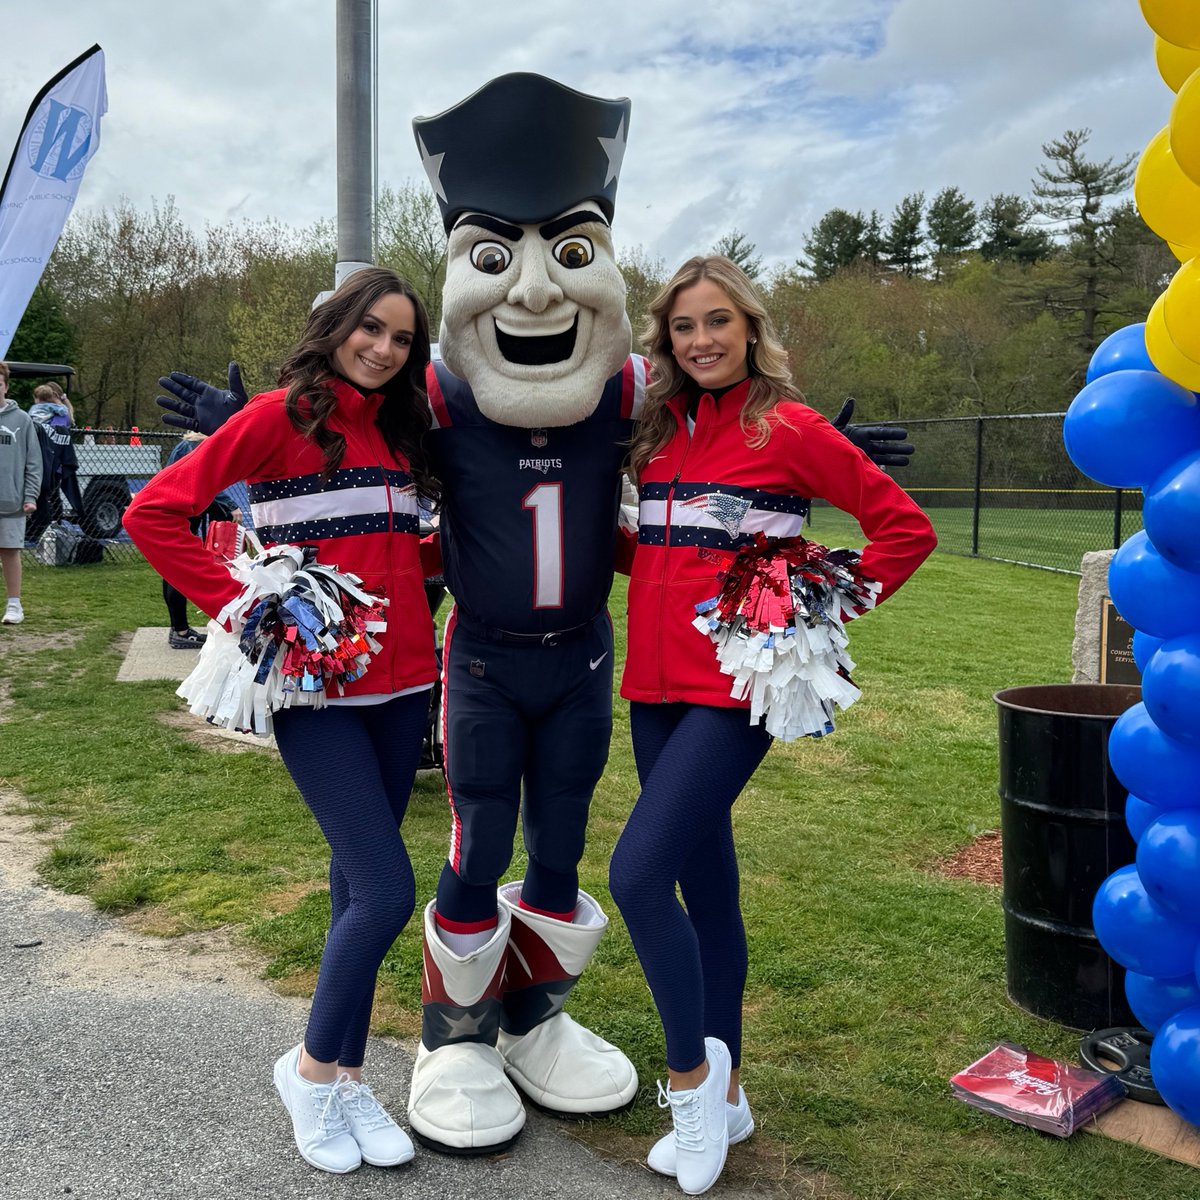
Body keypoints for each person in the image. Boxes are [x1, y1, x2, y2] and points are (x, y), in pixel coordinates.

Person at [608, 256, 937, 1196]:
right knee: (707, 889)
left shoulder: (786, 427)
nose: (702, 340)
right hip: (653, 688)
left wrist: (811, 621)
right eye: (683, 327)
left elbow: (905, 530)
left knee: (636, 875)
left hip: (730, 694)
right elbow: (668, 554)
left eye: (719, 322)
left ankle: (695, 1088)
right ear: (665, 341)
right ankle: (736, 1088)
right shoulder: (659, 434)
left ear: (750, 329)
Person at [123, 267, 439, 1175]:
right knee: (384, 889)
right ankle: (307, 1071)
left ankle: (342, 1073)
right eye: (369, 329)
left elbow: (386, 546)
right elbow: (156, 515)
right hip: (316, 694)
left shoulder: (400, 430)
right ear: (338, 327)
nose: (383, 349)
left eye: (402, 338)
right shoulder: (277, 417)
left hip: (404, 684)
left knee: (354, 888)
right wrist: (250, 602)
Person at [158, 431, 241, 648]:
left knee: (173, 571)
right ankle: (180, 631)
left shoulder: (187, 444)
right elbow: (201, 480)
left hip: (176, 511)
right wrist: (230, 505)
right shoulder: (194, 446)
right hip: (179, 513)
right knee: (178, 569)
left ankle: (178, 628)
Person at [0, 361, 43, 625]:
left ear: (5, 386)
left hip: (12, 502)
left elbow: (33, 461)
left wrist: (30, 496)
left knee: (9, 552)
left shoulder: (22, 420)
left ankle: (14, 604)